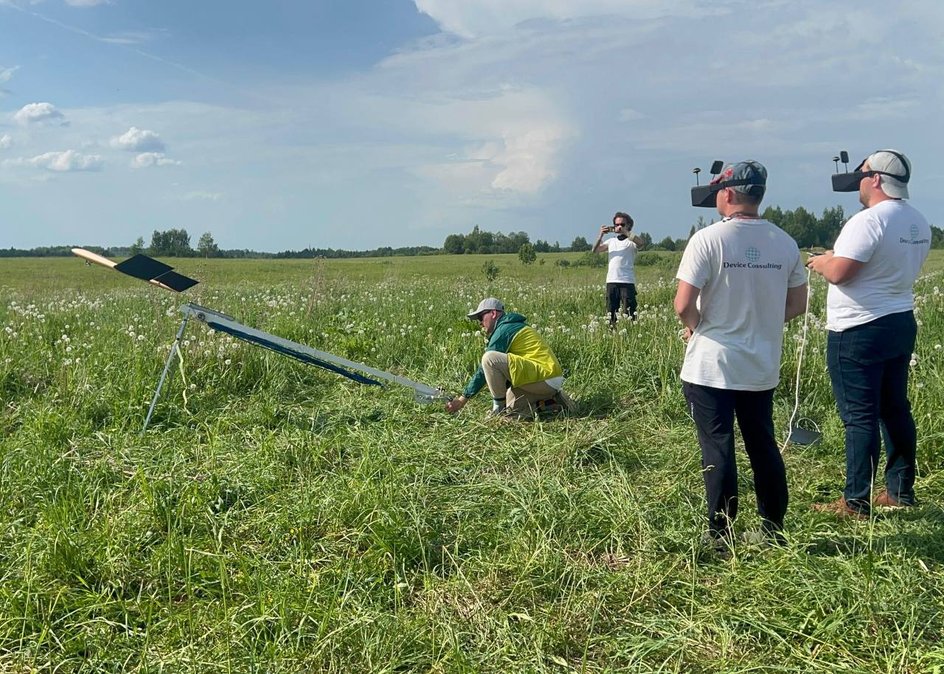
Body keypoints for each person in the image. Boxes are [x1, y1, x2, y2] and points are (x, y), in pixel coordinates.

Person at [674, 160, 808, 548]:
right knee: (762, 443)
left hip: (712, 365)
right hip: (760, 365)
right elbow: (798, 303)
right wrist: (761, 322)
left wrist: (699, 326)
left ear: (728, 193)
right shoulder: (783, 242)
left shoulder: (708, 239)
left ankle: (720, 533)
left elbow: (683, 304)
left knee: (718, 447)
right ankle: (771, 529)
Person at [808, 149, 930, 519]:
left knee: (859, 417)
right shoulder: (917, 221)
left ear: (876, 179)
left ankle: (856, 500)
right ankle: (899, 491)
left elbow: (841, 272)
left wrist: (821, 262)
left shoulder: (868, 221)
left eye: (862, 174)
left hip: (858, 327)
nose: (859, 181)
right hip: (899, 319)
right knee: (895, 409)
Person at [444, 298, 573, 419]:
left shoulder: (504, 329)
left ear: (493, 313)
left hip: (543, 375)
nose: (480, 323)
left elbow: (484, 370)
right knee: (512, 408)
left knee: (489, 358)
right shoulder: (510, 326)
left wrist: (462, 400)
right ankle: (552, 403)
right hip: (547, 379)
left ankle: (498, 410)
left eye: (481, 317)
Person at [593, 212, 646, 327]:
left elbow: (641, 244)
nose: (619, 227)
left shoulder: (631, 242)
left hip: (627, 281)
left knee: (630, 312)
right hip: (612, 281)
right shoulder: (611, 241)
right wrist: (601, 235)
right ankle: (612, 334)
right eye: (616, 225)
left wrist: (625, 232)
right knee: (611, 312)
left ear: (628, 225)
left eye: (622, 224)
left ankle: (632, 332)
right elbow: (595, 250)